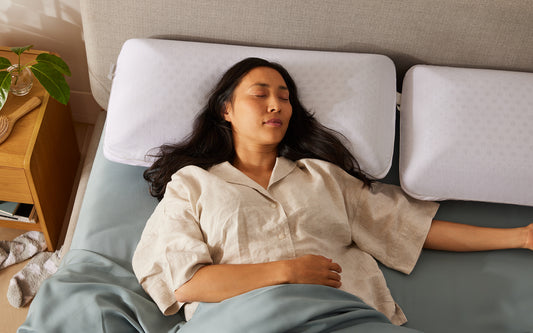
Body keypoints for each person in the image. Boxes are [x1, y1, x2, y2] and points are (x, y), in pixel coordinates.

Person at [132, 57, 532, 331]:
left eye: (285, 97)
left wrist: (520, 236)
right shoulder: (192, 184)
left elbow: (409, 228)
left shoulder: (323, 177)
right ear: (226, 110)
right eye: (260, 94)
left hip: (338, 316)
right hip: (242, 319)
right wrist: (287, 272)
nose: (277, 105)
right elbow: (186, 284)